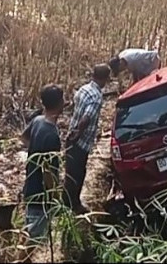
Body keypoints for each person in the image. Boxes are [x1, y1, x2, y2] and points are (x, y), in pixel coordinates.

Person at [63, 64, 111, 214]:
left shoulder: (84, 89)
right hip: (81, 141)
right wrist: (79, 132)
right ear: (106, 78)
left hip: (71, 136)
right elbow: (87, 117)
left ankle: (65, 201)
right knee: (78, 173)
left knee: (70, 172)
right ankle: (74, 204)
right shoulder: (96, 97)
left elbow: (76, 108)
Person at [22, 84, 64, 240]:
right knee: (33, 240)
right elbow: (48, 172)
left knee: (29, 233)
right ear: (60, 103)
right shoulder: (52, 135)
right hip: (41, 196)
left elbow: (24, 137)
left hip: (30, 186)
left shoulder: (38, 121)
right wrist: (55, 198)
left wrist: (34, 151)